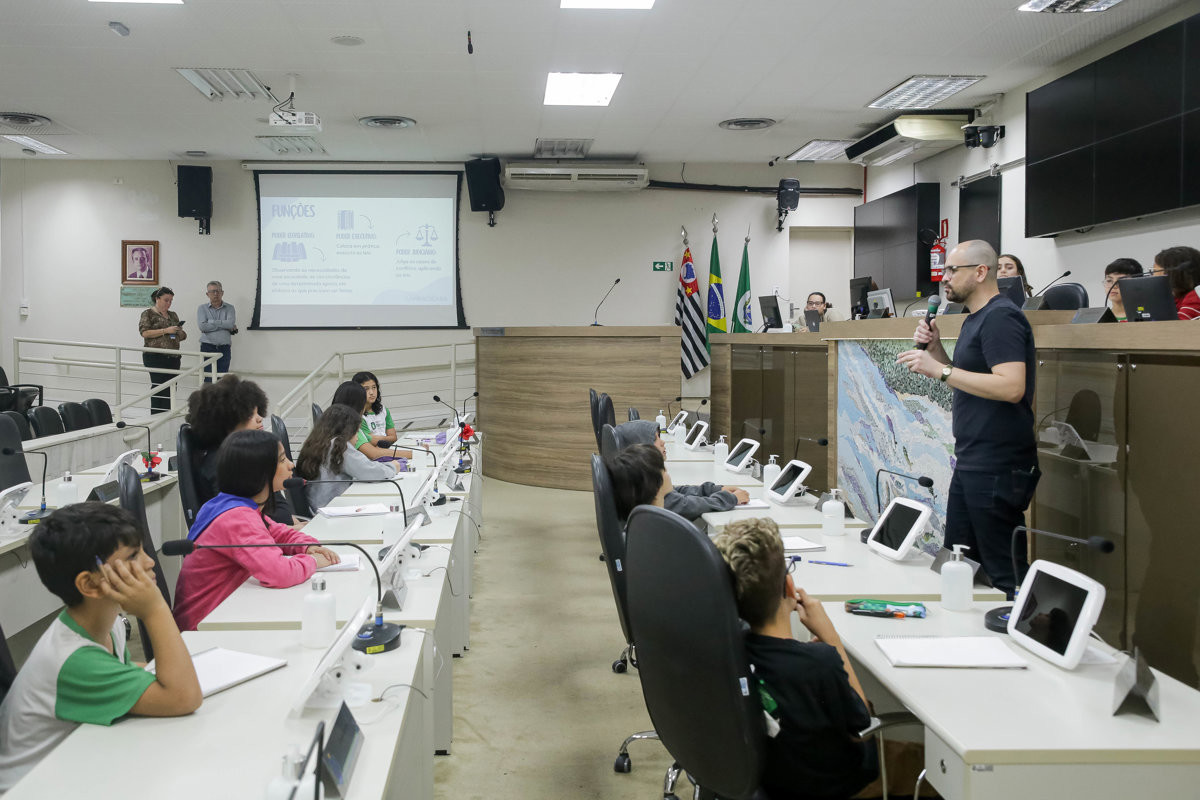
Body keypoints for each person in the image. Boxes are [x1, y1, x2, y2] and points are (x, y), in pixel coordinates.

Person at [0, 503, 202, 791]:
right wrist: (155, 608)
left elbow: (138, 676)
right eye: (133, 556)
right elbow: (184, 698)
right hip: (29, 788)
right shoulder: (74, 659)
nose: (149, 562)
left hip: (72, 767)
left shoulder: (110, 626)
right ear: (90, 584)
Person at [896, 240, 1039, 597]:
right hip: (974, 456)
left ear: (980, 272)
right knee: (959, 563)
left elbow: (1010, 387)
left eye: (951, 270)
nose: (944, 278)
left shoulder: (1001, 317)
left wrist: (940, 370)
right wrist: (936, 352)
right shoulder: (975, 319)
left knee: (1004, 574)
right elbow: (971, 380)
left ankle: (1018, 634)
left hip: (999, 461)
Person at [712, 517, 877, 800]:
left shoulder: (726, 651)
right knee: (919, 759)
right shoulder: (819, 661)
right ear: (790, 587)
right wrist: (831, 639)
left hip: (768, 779)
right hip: (838, 783)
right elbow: (863, 725)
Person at [171, 430, 341, 631]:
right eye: (282, 460)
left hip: (224, 612)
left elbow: (276, 531)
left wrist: (307, 547)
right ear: (258, 472)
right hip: (204, 629)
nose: (291, 465)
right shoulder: (237, 518)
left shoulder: (229, 504)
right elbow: (279, 573)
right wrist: (312, 561)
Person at [185, 375, 299, 527]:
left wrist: (293, 526)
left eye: (259, 412)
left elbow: (275, 505)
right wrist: (288, 529)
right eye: (250, 414)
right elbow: (239, 521)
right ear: (227, 419)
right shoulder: (222, 463)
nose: (260, 419)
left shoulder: (248, 457)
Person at [611, 420, 749, 520]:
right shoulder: (652, 495)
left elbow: (676, 492)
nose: (662, 442)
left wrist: (714, 489)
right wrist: (730, 498)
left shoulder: (640, 484)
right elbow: (687, 504)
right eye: (655, 438)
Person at [294, 404, 402, 510]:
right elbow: (370, 472)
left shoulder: (318, 442)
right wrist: (393, 466)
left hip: (318, 505)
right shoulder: (339, 445)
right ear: (347, 431)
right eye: (356, 432)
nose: (357, 438)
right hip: (330, 508)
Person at [329, 381, 412, 462]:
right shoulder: (348, 430)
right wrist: (413, 454)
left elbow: (375, 447)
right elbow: (374, 454)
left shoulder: (331, 424)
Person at [138, 287, 187, 414]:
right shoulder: (148, 314)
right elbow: (145, 333)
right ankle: (156, 416)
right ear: (157, 299)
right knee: (159, 387)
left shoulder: (173, 315)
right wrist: (166, 330)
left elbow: (182, 336)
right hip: (155, 357)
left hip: (173, 357)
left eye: (171, 301)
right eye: (166, 300)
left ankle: (167, 415)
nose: (169, 303)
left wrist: (178, 332)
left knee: (171, 388)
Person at [603, 443, 674, 520]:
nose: (666, 470)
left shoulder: (640, 524)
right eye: (663, 469)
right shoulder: (660, 529)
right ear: (655, 486)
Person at [197, 281, 237, 382]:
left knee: (222, 380)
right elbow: (202, 327)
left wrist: (211, 322)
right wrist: (223, 325)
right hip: (207, 347)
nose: (215, 294)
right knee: (208, 379)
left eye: (218, 291)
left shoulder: (230, 308)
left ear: (222, 292)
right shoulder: (202, 308)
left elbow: (230, 324)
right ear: (207, 294)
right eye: (212, 291)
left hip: (224, 348)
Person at [1151, 245, 1200, 321]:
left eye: (1154, 271)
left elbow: (1177, 326)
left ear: (1174, 273)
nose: (1152, 276)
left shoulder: (1196, 296)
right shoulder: (1175, 298)